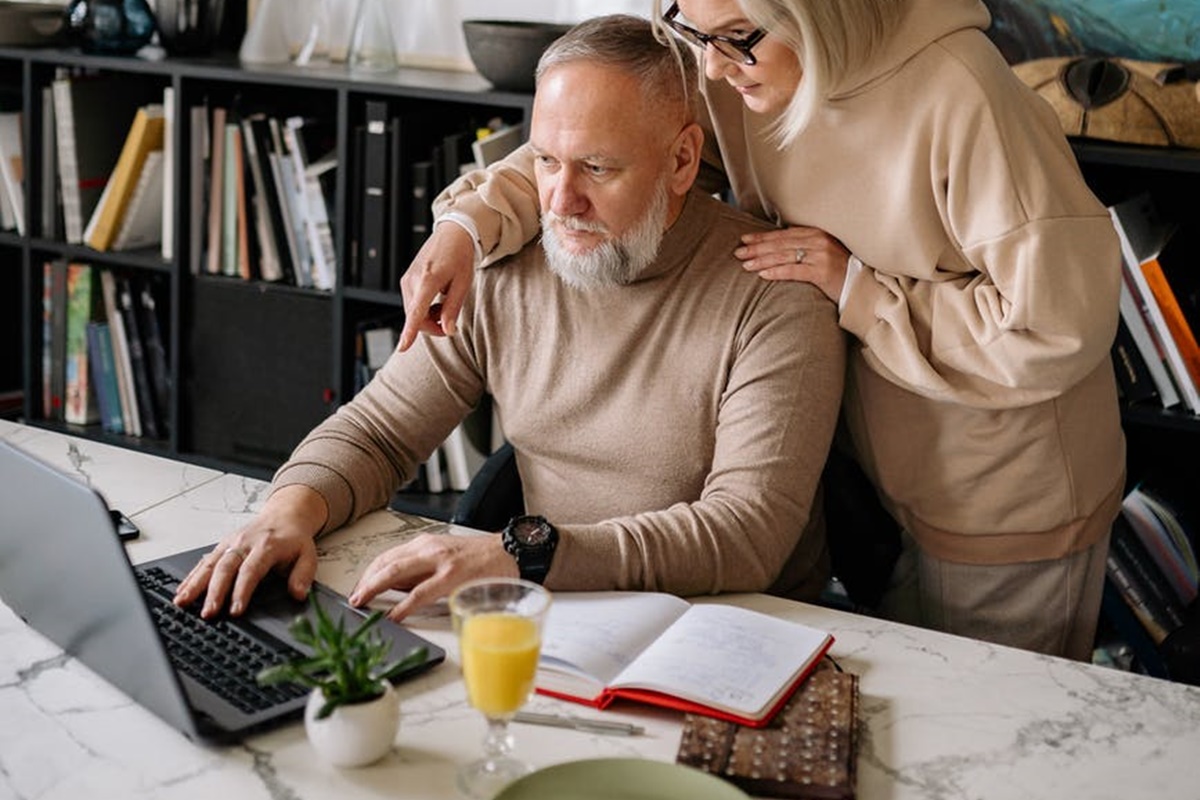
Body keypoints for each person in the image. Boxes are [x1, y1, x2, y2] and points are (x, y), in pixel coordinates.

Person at [398, 0, 1126, 661]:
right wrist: (469, 224)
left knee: (981, 747)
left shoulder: (965, 98)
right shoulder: (736, 65)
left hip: (1001, 499)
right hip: (872, 470)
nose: (707, 65)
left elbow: (1055, 325)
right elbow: (603, 146)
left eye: (736, 40)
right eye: (691, 27)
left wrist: (855, 288)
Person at [173, 14, 846, 622]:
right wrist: (289, 512)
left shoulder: (776, 295)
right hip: (557, 609)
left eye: (598, 167)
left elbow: (746, 533)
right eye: (546, 160)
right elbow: (379, 431)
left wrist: (525, 555)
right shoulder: (507, 267)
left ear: (680, 160)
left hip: (735, 629)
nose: (561, 200)